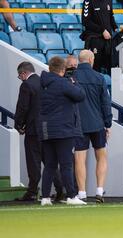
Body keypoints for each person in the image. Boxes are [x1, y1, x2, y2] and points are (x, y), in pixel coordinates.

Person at [38, 57, 86, 206]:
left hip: (46, 129)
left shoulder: (42, 83)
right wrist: (74, 82)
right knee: (66, 164)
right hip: (63, 129)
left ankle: (45, 197)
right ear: (62, 69)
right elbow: (80, 95)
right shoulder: (63, 83)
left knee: (50, 165)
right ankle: (71, 196)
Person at [14, 62, 64, 201]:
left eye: (20, 76)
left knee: (33, 161)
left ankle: (32, 191)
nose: (21, 78)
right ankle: (60, 189)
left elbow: (23, 107)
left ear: (23, 73)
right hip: (47, 128)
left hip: (33, 129)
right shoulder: (45, 83)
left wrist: (19, 124)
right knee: (49, 161)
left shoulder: (26, 85)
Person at [73, 50, 112, 204]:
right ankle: (99, 190)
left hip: (79, 125)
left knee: (79, 159)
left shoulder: (72, 78)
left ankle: (82, 193)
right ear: (90, 60)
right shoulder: (100, 77)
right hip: (97, 124)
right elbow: (105, 103)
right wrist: (108, 123)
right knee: (101, 157)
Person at [81, 0, 117, 74]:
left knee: (110, 66)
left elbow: (110, 16)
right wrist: (102, 30)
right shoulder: (88, 1)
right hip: (94, 39)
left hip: (108, 40)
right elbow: (85, 21)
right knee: (96, 66)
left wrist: (115, 28)